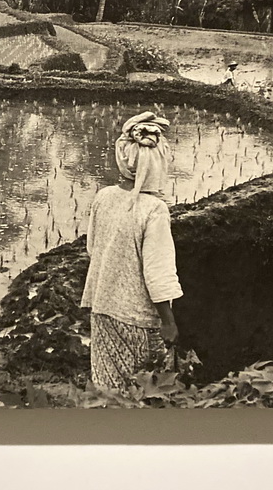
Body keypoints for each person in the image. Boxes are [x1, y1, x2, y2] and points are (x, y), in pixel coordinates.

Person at [80, 111, 182, 392]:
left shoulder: (104, 197)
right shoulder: (154, 210)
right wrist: (169, 324)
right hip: (137, 321)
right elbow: (158, 275)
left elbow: (93, 248)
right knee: (141, 392)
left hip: (102, 310)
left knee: (108, 389)